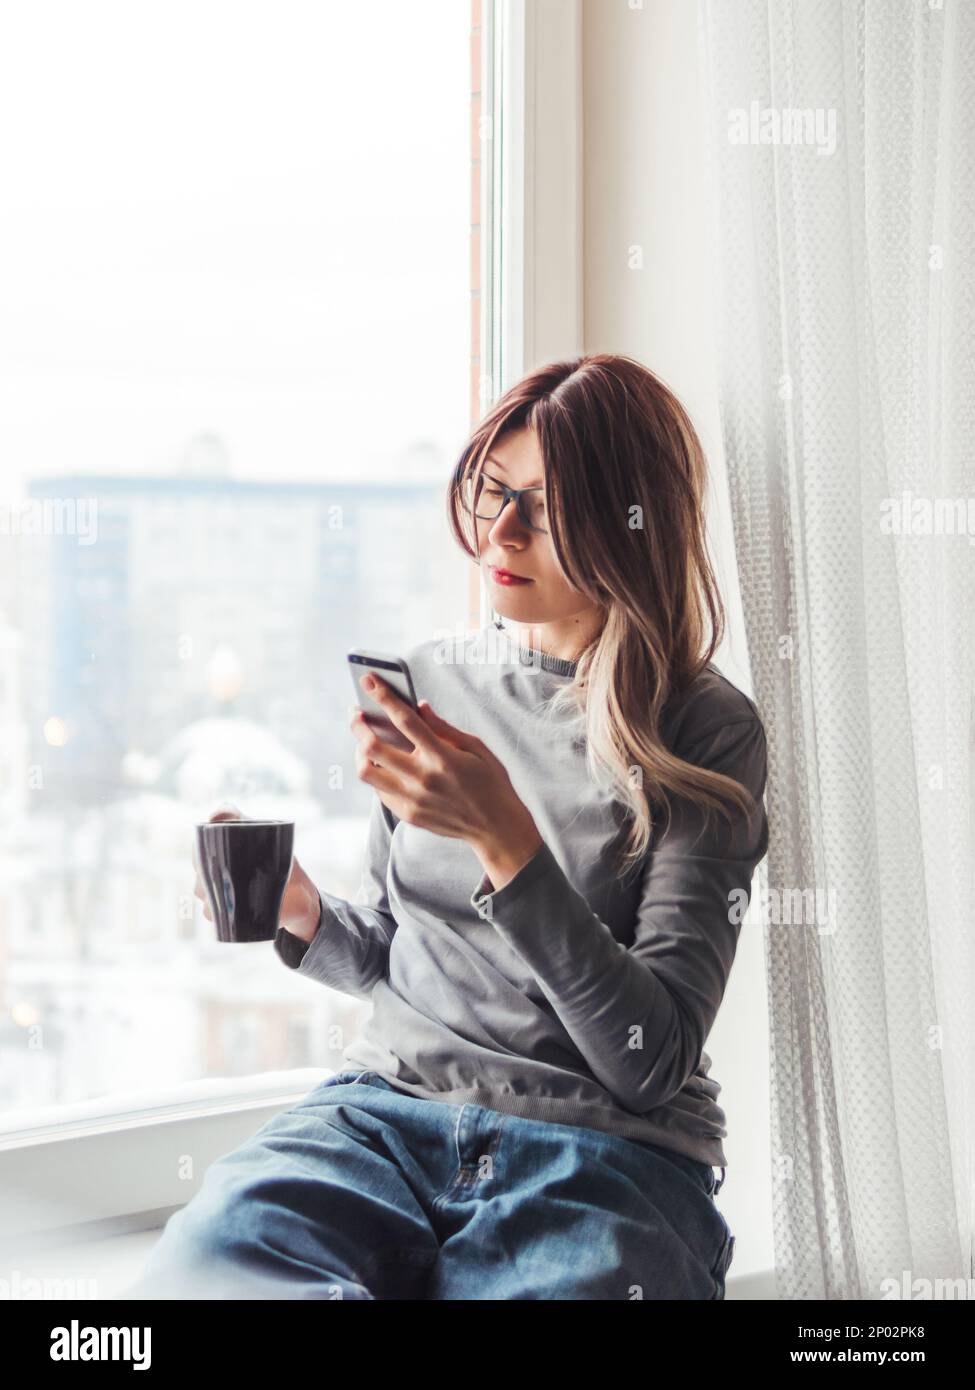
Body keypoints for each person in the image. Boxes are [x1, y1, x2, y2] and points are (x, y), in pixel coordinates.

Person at [127, 353, 768, 1301]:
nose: (502, 532)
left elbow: (650, 1061)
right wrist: (303, 912)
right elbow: (397, 955)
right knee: (198, 1276)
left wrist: (508, 842)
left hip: (600, 1156)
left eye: (547, 509)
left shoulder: (703, 729)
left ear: (632, 522)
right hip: (384, 1120)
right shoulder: (430, 681)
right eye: (494, 493)